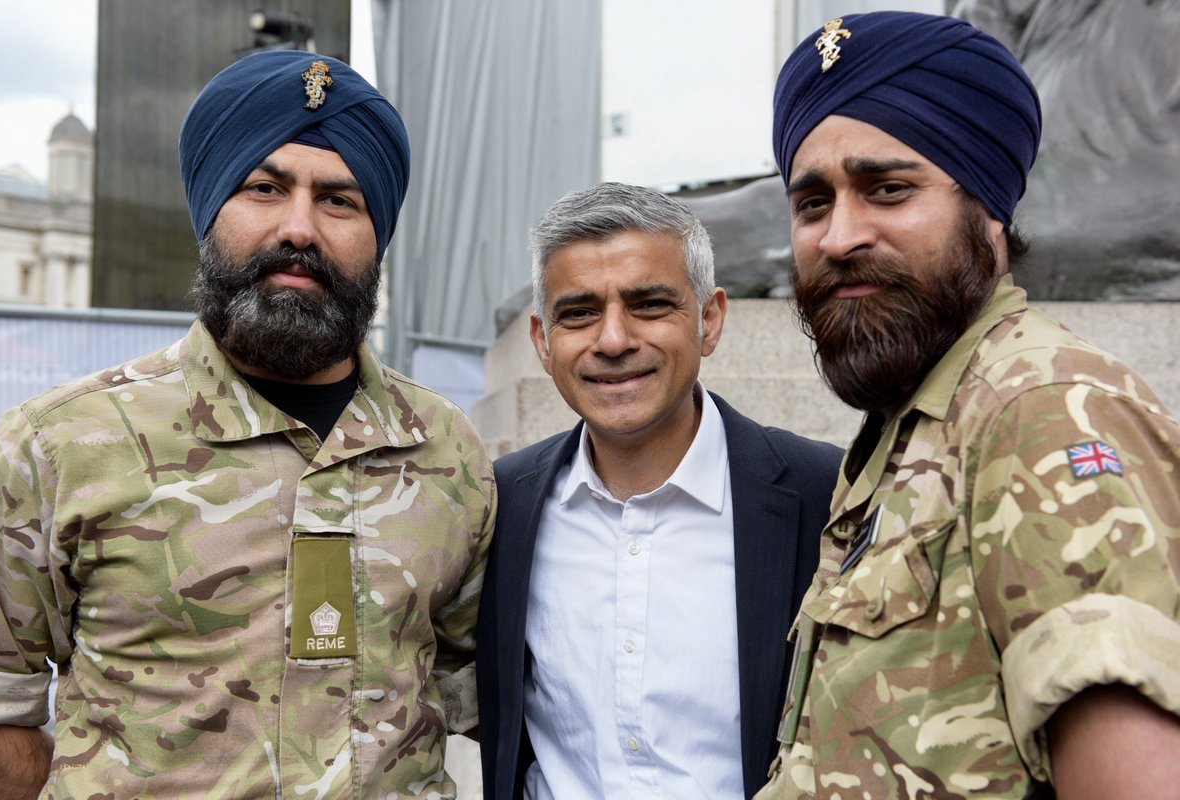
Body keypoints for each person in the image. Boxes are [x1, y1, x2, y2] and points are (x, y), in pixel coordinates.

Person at [0, 50, 494, 800]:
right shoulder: (54, 447)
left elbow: (471, 694)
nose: (299, 228)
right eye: (264, 188)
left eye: (340, 200)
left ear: (378, 235)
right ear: (210, 210)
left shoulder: (448, 449)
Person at [757, 11, 1180, 799]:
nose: (839, 236)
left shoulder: (1043, 413)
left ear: (989, 211)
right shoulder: (917, 418)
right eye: (812, 203)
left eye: (888, 190)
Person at [474, 182, 842, 799]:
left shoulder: (825, 494)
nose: (613, 340)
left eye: (649, 305)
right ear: (542, 340)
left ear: (709, 320)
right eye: (579, 312)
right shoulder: (500, 504)